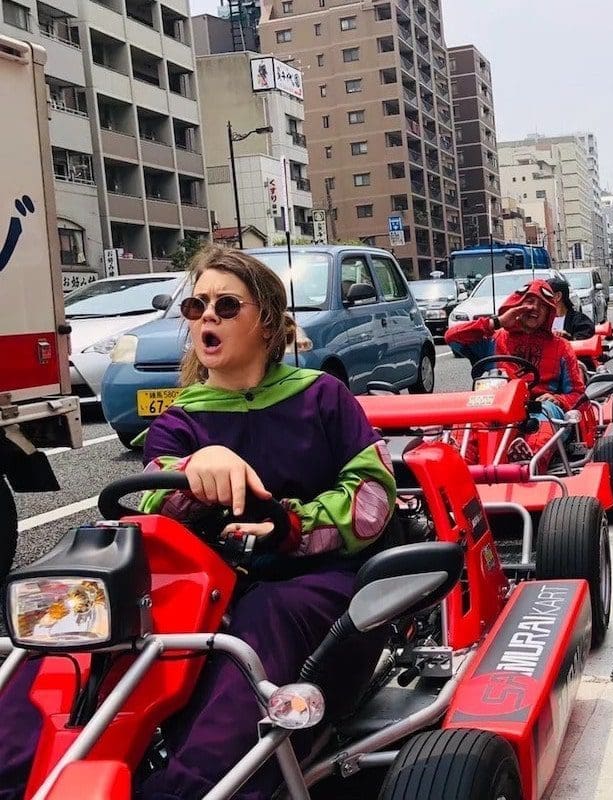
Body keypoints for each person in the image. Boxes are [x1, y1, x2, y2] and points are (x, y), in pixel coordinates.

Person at [0, 246, 398, 800]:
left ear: (266, 323)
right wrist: (195, 469)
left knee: (262, 618)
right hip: (194, 582)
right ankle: (19, 772)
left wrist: (286, 523)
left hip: (302, 578)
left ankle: (192, 788)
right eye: (197, 305)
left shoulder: (323, 398)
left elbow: (373, 499)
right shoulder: (181, 418)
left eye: (226, 305)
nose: (206, 315)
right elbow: (146, 498)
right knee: (83, 615)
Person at [444, 278, 586, 459]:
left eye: (542, 305)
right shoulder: (494, 339)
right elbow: (451, 337)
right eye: (529, 302)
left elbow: (577, 394)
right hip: (495, 406)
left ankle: (528, 459)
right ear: (516, 305)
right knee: (470, 417)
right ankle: (460, 463)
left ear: (549, 312)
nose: (534, 308)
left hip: (538, 410)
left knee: (545, 413)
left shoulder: (561, 347)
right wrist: (497, 322)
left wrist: (558, 399)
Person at [546, 276, 596, 340]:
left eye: (546, 295)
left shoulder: (580, 321)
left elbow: (585, 340)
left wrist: (569, 338)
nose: (542, 300)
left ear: (558, 296)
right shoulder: (540, 320)